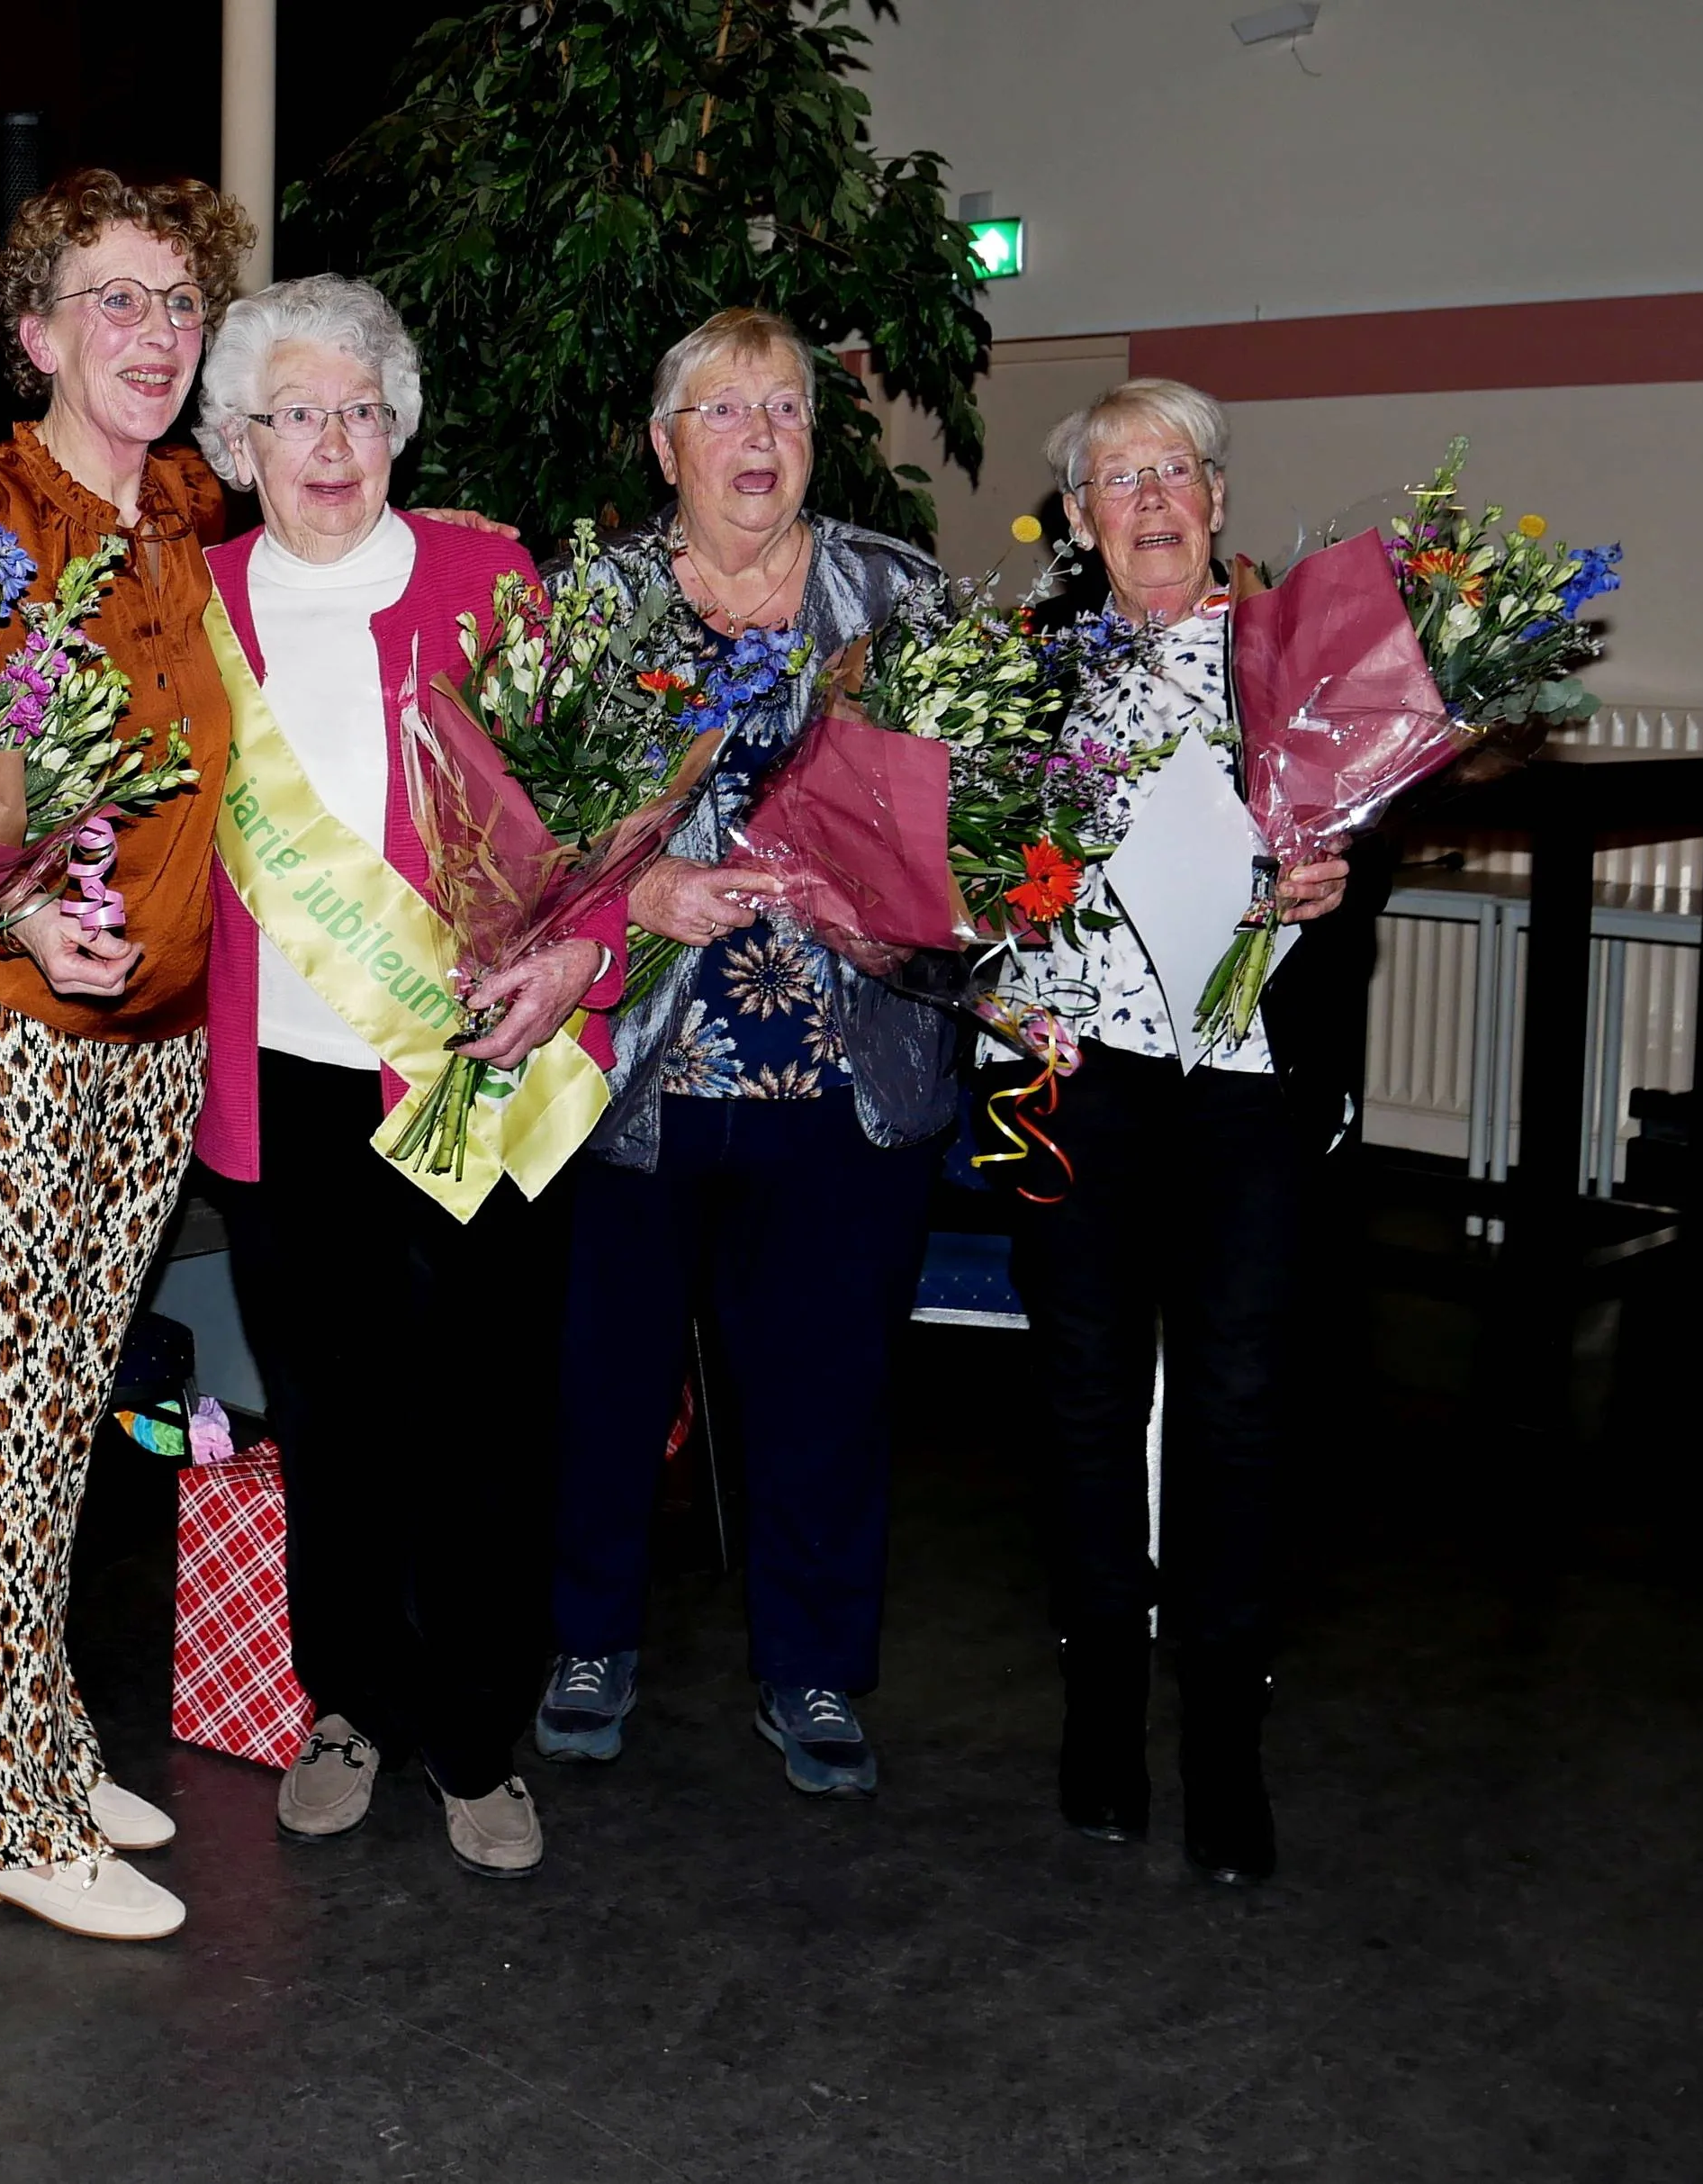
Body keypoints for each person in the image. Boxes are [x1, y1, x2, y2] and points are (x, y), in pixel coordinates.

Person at [187, 275, 621, 1880]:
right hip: (294, 1090)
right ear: (237, 442)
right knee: (332, 1416)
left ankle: (477, 1734)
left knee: (489, 1419)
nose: (333, 442)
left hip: (474, 1074)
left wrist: (582, 959)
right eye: (297, 413)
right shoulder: (202, 603)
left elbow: (596, 815)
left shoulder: (488, 573)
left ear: (399, 427)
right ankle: (347, 1701)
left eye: (361, 409)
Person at [0, 167, 253, 1944]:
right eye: (116, 299)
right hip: (9, 1028)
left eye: (181, 303)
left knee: (69, 1404)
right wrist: (15, 913)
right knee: (17, 1407)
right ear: (36, 329)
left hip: (162, 1036)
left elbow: (323, 457)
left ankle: (25, 1720)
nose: (156, 335)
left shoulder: (180, 502)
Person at [534, 307, 959, 1800]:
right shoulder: (590, 607)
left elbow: (979, 821)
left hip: (848, 1068)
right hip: (642, 1068)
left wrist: (902, 900)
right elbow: (512, 836)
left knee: (827, 1391)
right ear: (665, 448)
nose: (761, 440)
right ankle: (587, 1639)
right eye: (724, 413)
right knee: (603, 1384)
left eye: (785, 411)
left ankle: (818, 1667)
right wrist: (637, 892)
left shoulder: (897, 596)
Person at [1006, 376, 1353, 1885]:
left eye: (1175, 471)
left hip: (1251, 1078)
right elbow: (953, 864)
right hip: (1081, 1074)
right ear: (1079, 522)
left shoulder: (1303, 660)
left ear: (1217, 498)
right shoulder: (1023, 671)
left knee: (1238, 1400)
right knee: (1084, 1394)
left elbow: (1364, 840)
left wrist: (1349, 877)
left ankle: (1222, 1727)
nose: (1149, 499)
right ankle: (1098, 1699)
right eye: (1116, 479)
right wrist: (991, 973)